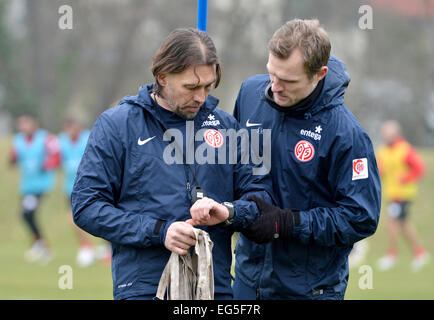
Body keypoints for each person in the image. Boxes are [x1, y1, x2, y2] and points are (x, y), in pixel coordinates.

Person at [71, 28, 273, 300]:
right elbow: (87, 206)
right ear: (162, 77)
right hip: (144, 289)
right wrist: (159, 231)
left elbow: (260, 199)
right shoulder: (118, 125)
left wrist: (228, 211)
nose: (201, 97)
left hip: (216, 288)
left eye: (208, 86)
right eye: (191, 87)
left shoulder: (227, 128)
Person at [232, 19, 381, 299]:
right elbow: (239, 169)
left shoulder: (346, 134)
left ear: (319, 74)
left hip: (309, 290)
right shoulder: (250, 94)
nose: (274, 87)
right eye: (271, 74)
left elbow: (361, 217)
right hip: (246, 282)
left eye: (288, 81)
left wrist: (288, 223)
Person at [376, 120, 429, 272]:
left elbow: (419, 168)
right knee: (404, 225)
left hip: (403, 194)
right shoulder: (384, 151)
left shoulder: (405, 149)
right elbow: (381, 170)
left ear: (395, 134)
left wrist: (406, 178)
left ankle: (392, 255)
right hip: (392, 194)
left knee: (392, 223)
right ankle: (419, 253)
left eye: (387, 133)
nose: (384, 136)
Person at [9, 114, 60, 264]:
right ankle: (40, 244)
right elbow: (13, 158)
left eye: (26, 123)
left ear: (34, 124)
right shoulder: (18, 140)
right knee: (27, 215)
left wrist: (47, 164)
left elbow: (56, 155)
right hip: (27, 186)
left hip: (41, 185)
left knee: (27, 213)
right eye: (21, 124)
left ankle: (41, 245)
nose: (23, 127)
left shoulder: (45, 138)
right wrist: (12, 159)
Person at [58, 118, 99, 267]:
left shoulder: (88, 138)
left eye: (73, 128)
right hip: (70, 187)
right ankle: (86, 247)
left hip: (89, 186)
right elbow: (56, 158)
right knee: (73, 219)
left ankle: (97, 248)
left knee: (95, 217)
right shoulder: (62, 141)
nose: (70, 131)